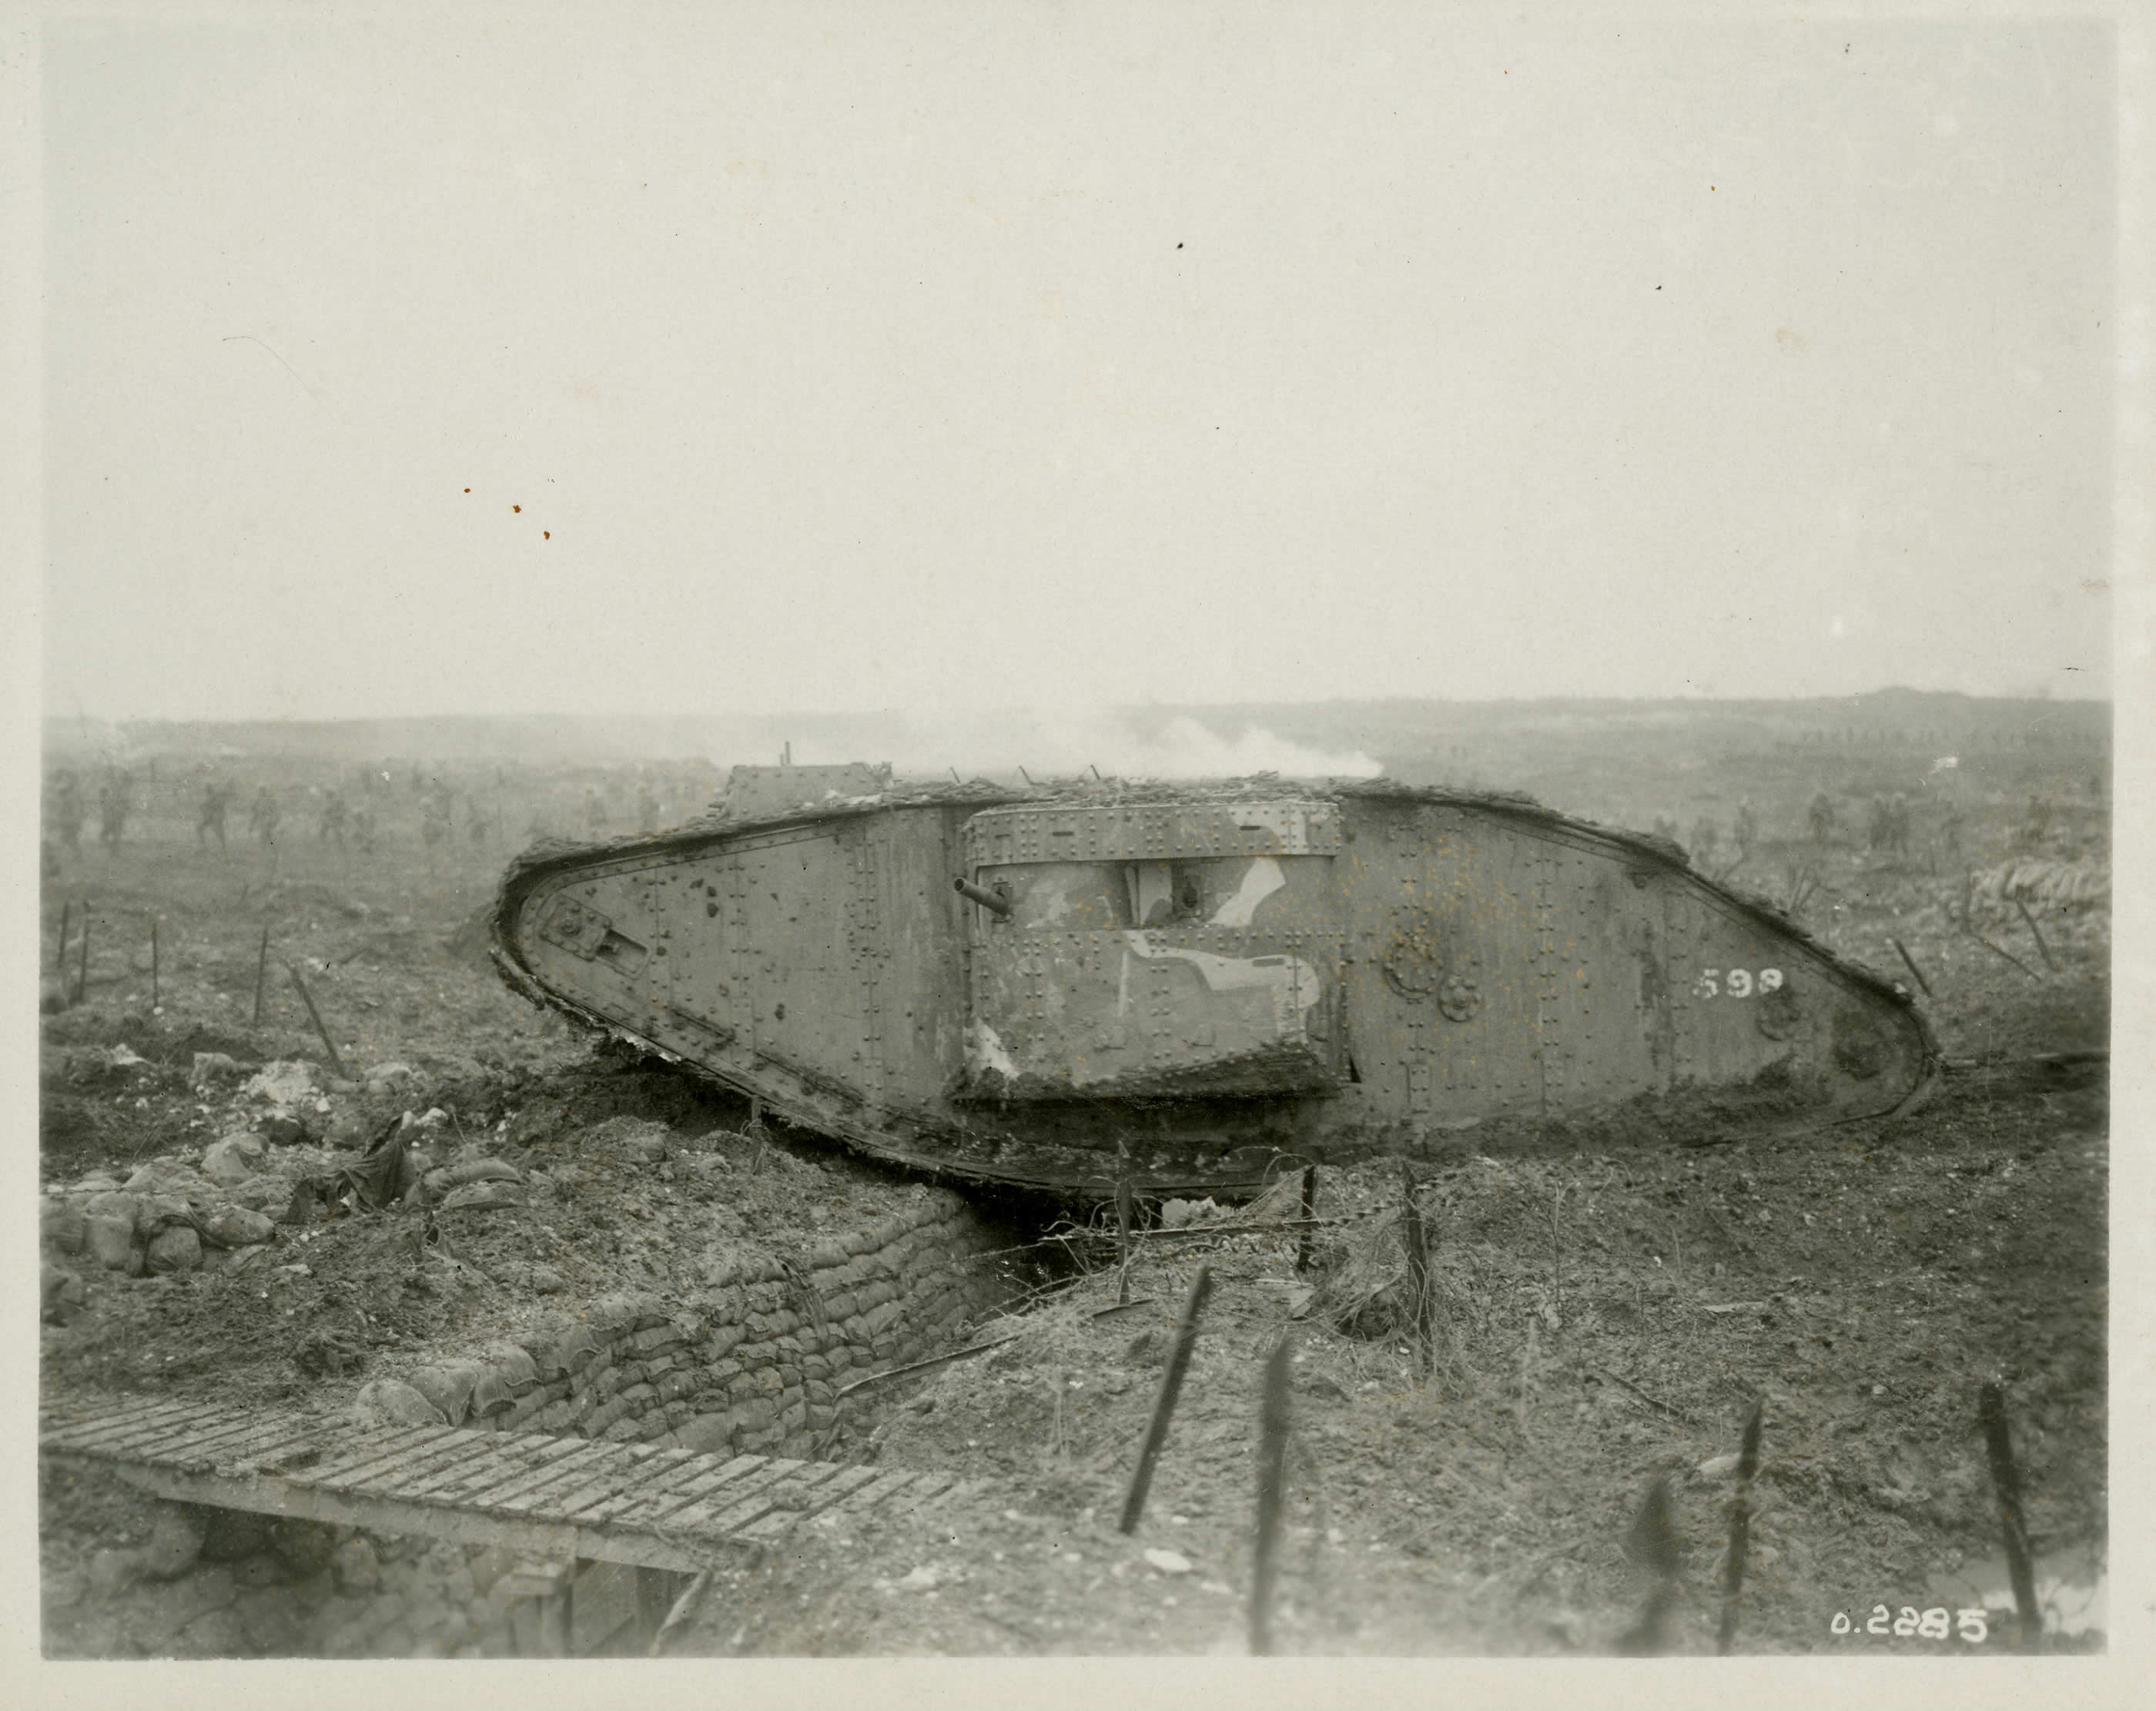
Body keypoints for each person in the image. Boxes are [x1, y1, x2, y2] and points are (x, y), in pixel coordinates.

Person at [196, 782, 231, 850]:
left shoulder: (215, 797)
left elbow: (219, 806)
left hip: (215, 817)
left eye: (208, 789)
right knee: (200, 828)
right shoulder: (211, 797)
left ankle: (223, 846)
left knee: (218, 831)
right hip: (210, 817)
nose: (207, 791)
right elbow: (204, 806)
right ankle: (203, 846)